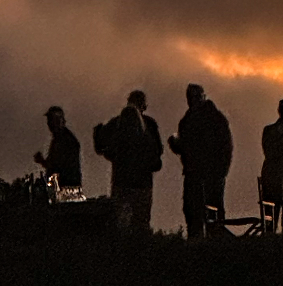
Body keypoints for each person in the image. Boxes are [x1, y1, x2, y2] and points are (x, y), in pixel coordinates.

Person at [168, 84, 233, 238]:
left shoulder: (215, 119)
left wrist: (221, 171)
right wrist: (176, 145)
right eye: (191, 97)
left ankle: (214, 244)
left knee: (212, 211)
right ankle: (196, 245)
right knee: (192, 210)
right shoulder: (187, 120)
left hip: (212, 174)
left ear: (203, 97)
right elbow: (187, 147)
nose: (193, 100)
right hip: (194, 173)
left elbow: (226, 147)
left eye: (196, 96)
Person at [94, 90, 163, 231]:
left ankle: (122, 251)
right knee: (141, 224)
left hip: (122, 182)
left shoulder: (116, 123)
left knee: (120, 224)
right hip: (142, 184)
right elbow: (157, 154)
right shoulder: (149, 125)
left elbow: (100, 146)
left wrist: (111, 152)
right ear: (144, 106)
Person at [33, 106, 82, 188]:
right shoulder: (61, 139)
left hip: (65, 187)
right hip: (66, 186)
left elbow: (57, 166)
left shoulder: (64, 140)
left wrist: (42, 161)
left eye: (51, 120)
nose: (49, 124)